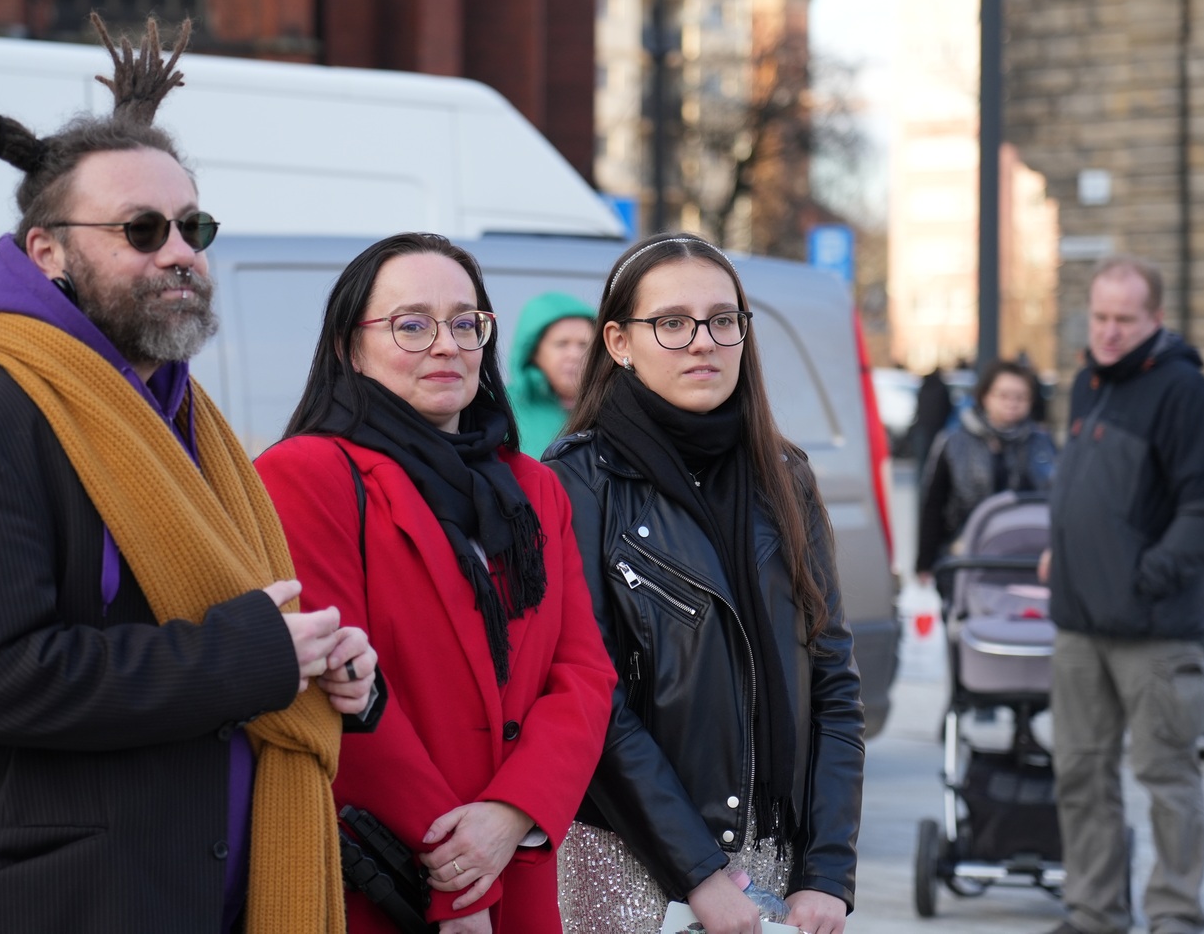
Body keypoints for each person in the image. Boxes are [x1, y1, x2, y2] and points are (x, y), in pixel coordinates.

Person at [0, 16, 381, 933]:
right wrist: (257, 656)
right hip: (58, 903)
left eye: (193, 226)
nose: (179, 251)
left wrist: (326, 670)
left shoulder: (186, 420)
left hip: (205, 891)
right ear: (48, 254)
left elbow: (237, 620)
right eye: (140, 230)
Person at [254, 233, 615, 934]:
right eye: (410, 324)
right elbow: (337, 693)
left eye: (464, 322)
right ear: (346, 348)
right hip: (387, 876)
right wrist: (457, 884)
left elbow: (582, 673)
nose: (445, 344)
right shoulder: (307, 475)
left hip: (517, 862)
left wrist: (512, 813)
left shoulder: (532, 486)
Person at [545, 232, 865, 934]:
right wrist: (696, 874)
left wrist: (827, 874)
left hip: (774, 863)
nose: (702, 342)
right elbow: (590, 700)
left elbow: (833, 685)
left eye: (723, 320)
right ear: (620, 343)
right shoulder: (576, 479)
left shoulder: (785, 476)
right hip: (628, 860)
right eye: (671, 323)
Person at [1039, 254, 1204, 934]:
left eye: (1125, 319)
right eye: (1099, 317)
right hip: (1078, 626)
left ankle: (1175, 914)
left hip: (1153, 633)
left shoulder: (1185, 392)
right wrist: (1060, 551)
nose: (1109, 331)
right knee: (1080, 777)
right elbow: (1093, 495)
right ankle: (1094, 913)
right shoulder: (1089, 381)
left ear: (1155, 319)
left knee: (1167, 782)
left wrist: (1141, 575)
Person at [917, 359, 1056, 601]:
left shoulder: (1043, 444)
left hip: (1027, 563)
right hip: (966, 559)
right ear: (985, 397)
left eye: (1020, 397)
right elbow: (933, 504)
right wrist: (924, 563)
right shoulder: (954, 442)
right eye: (1003, 395)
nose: (1012, 403)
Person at [507, 291, 596, 456]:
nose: (575, 355)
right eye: (562, 344)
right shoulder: (502, 408)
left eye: (584, 345)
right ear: (534, 352)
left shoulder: (611, 407)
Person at [910, 365, 954, 484]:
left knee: (921, 466)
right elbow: (948, 409)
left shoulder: (924, 386)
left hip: (921, 429)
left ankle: (920, 493)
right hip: (936, 431)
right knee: (933, 466)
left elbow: (917, 407)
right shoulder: (942, 388)